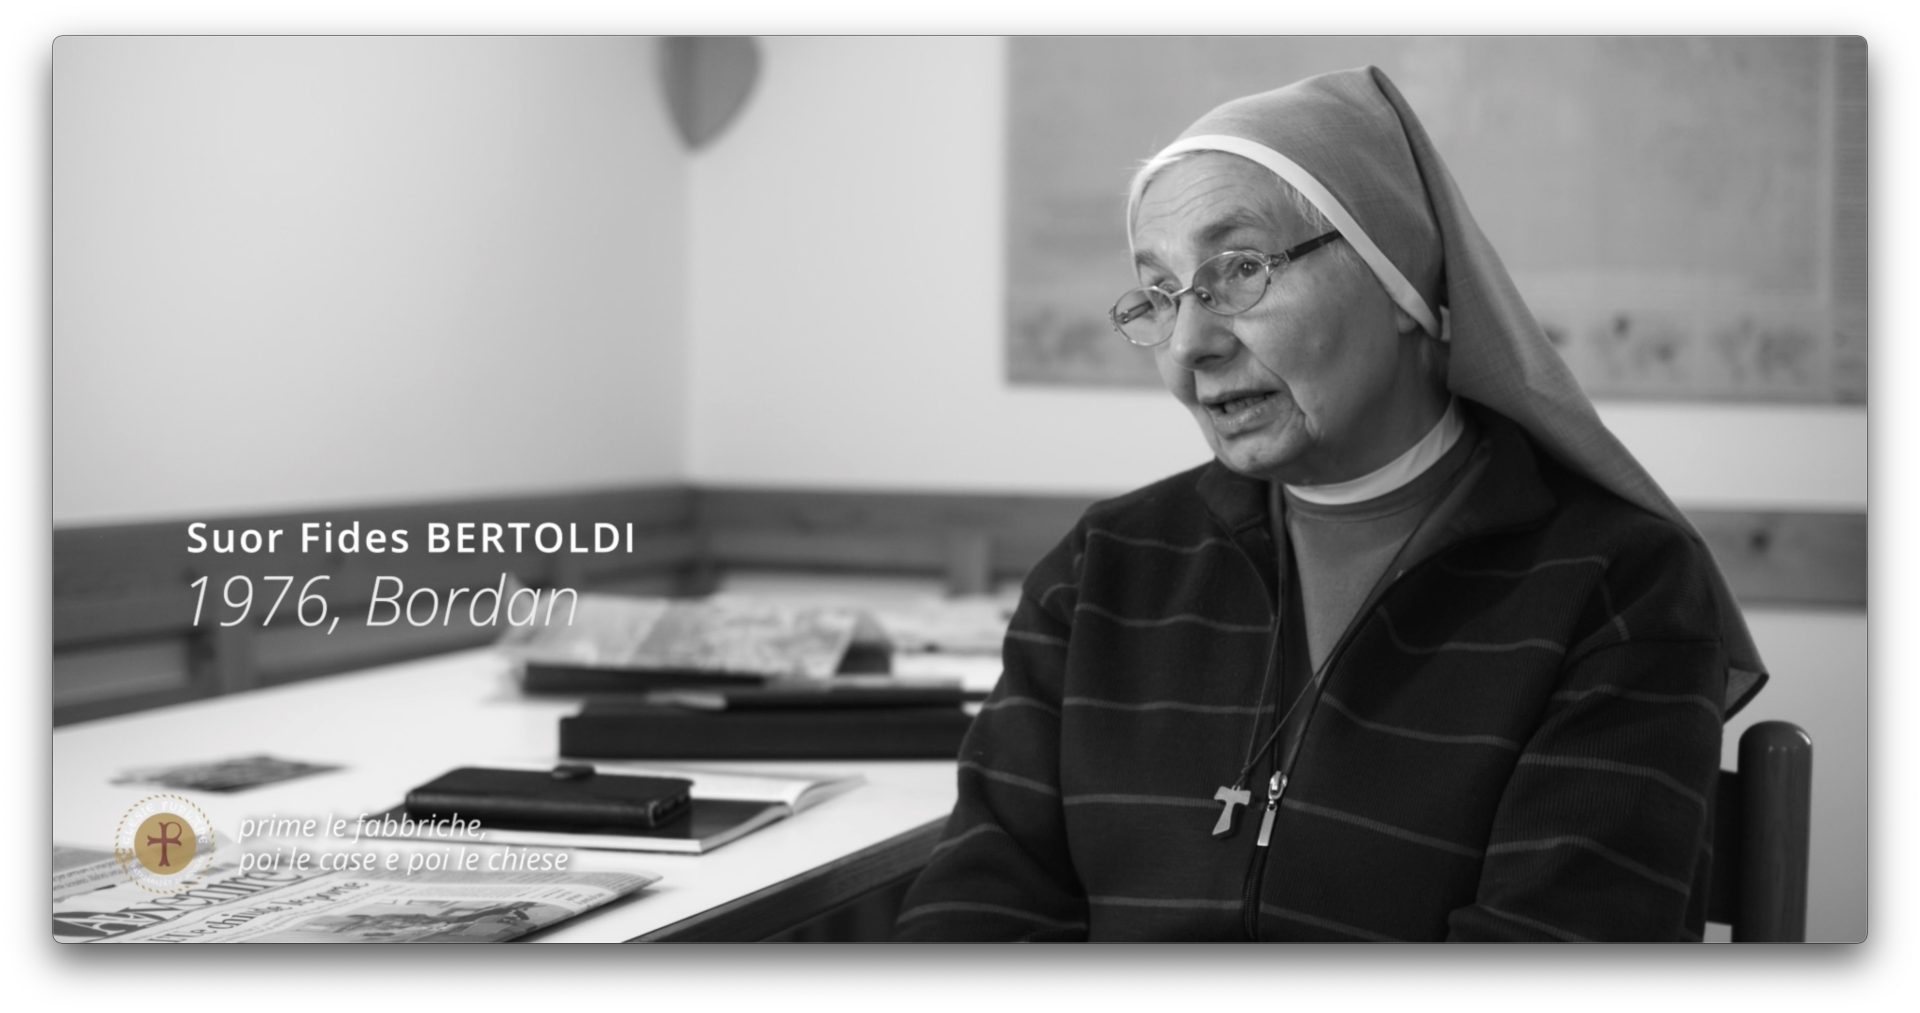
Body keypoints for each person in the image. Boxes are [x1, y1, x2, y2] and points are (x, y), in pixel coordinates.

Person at [892, 66, 1767, 943]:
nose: (1190, 343)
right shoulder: (1105, 569)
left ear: (1398, 281)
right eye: (1158, 295)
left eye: (1239, 269)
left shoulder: (1614, 586)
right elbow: (974, 907)